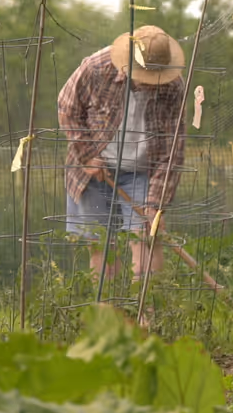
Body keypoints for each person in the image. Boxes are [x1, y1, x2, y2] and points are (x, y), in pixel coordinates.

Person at [58, 24, 188, 289]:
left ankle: (148, 318)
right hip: (93, 170)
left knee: (147, 239)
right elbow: (67, 107)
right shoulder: (96, 68)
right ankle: (110, 316)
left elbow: (172, 151)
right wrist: (87, 155)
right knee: (102, 244)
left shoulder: (173, 87)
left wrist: (156, 203)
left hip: (141, 171)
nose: (149, 82)